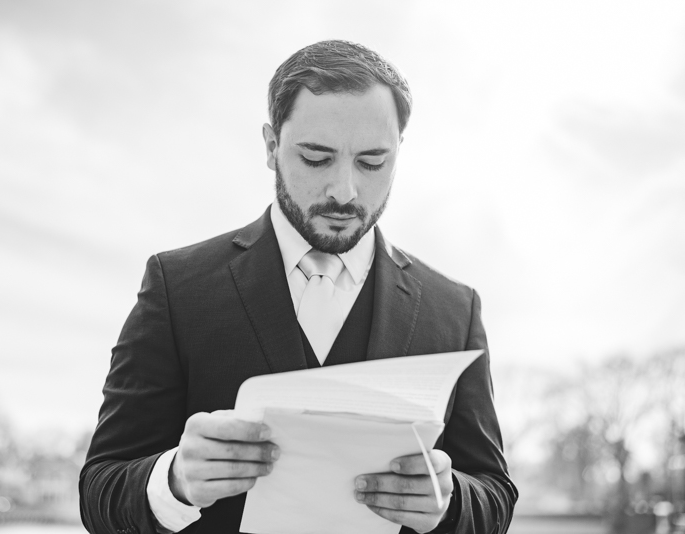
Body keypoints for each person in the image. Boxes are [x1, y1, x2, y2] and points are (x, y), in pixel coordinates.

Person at [79, 40, 517, 534]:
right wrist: (174, 481)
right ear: (271, 147)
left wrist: (450, 500)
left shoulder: (454, 309)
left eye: (373, 162)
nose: (345, 191)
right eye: (316, 157)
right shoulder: (176, 286)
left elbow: (494, 494)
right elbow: (100, 490)